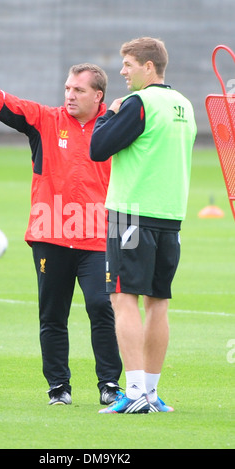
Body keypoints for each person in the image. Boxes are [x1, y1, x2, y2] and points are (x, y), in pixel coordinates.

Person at [0, 63, 122, 406]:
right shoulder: (46, 120)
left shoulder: (114, 126)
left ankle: (110, 385)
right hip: (50, 235)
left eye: (79, 90)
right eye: (67, 89)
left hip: (98, 236)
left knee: (102, 306)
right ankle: (59, 387)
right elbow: (6, 104)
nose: (70, 95)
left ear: (98, 95)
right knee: (52, 314)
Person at [90, 37, 197, 413]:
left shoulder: (139, 103)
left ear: (148, 67)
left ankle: (134, 393)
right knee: (158, 303)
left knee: (122, 299)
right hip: (171, 217)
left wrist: (109, 113)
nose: (122, 71)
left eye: (128, 64)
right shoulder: (184, 104)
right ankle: (151, 394)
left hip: (131, 214)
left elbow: (98, 147)